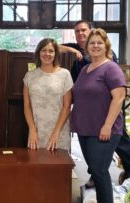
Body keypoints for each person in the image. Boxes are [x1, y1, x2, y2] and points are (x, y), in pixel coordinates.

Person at [61, 20, 130, 186]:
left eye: (83, 30)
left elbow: (117, 92)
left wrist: (108, 123)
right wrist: (72, 50)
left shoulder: (105, 55)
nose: (80, 34)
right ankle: (96, 176)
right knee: (94, 155)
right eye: (77, 31)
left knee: (121, 143)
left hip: (105, 109)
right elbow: (54, 46)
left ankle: (127, 170)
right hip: (86, 111)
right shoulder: (77, 50)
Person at [23, 38, 73, 151]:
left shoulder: (65, 74)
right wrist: (32, 129)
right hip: (36, 132)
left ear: (56, 54)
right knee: (37, 165)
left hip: (59, 131)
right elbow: (27, 106)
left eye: (51, 51)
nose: (47, 54)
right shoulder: (29, 76)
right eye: (44, 50)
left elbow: (66, 107)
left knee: (59, 166)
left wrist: (56, 133)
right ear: (38, 52)